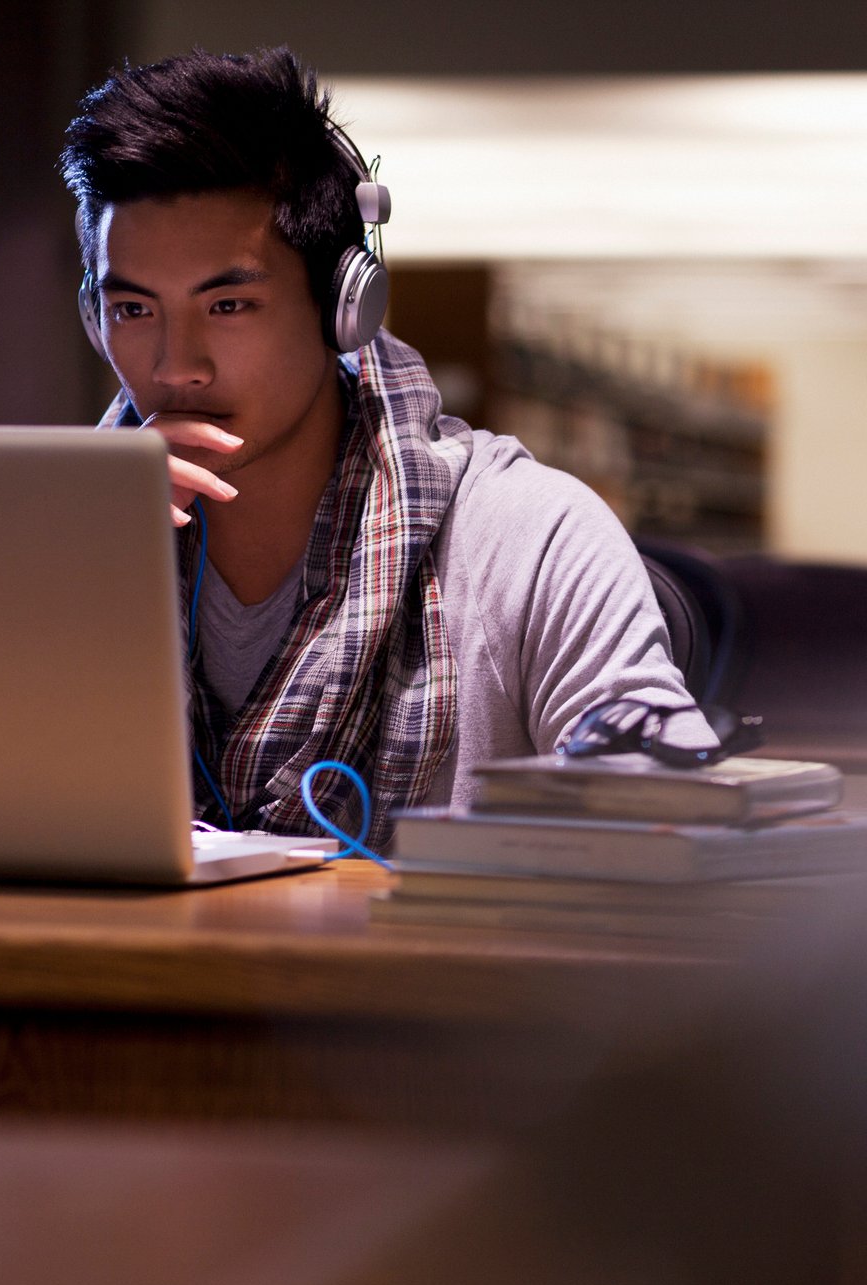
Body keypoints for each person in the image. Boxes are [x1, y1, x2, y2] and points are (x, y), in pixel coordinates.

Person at [58, 46, 701, 847]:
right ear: (94, 316)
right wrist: (76, 575)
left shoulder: (529, 536)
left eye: (229, 306)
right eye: (133, 311)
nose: (174, 366)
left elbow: (669, 822)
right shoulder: (58, 542)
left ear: (344, 308)